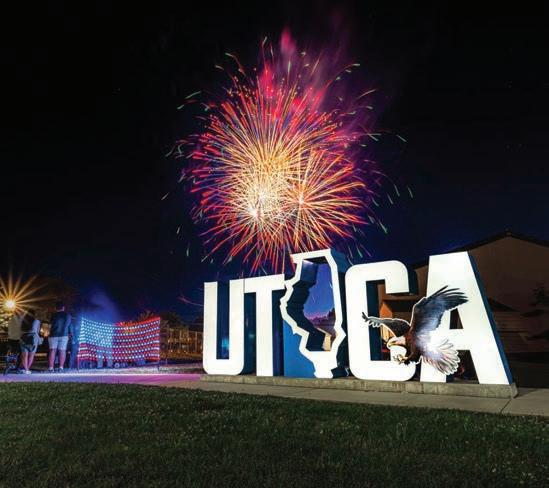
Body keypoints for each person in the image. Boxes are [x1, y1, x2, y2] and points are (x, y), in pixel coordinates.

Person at [48, 301, 72, 372]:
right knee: (62, 351)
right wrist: (70, 333)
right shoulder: (68, 315)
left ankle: (51, 368)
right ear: (63, 308)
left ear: (55, 308)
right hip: (64, 335)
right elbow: (69, 325)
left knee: (52, 350)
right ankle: (61, 367)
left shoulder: (53, 315)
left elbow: (50, 324)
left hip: (53, 334)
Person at [19, 310, 40, 374]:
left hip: (24, 337)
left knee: (24, 354)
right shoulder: (37, 321)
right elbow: (37, 331)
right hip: (33, 338)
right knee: (31, 354)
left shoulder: (22, 320)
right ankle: (27, 369)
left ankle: (25, 369)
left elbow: (20, 330)